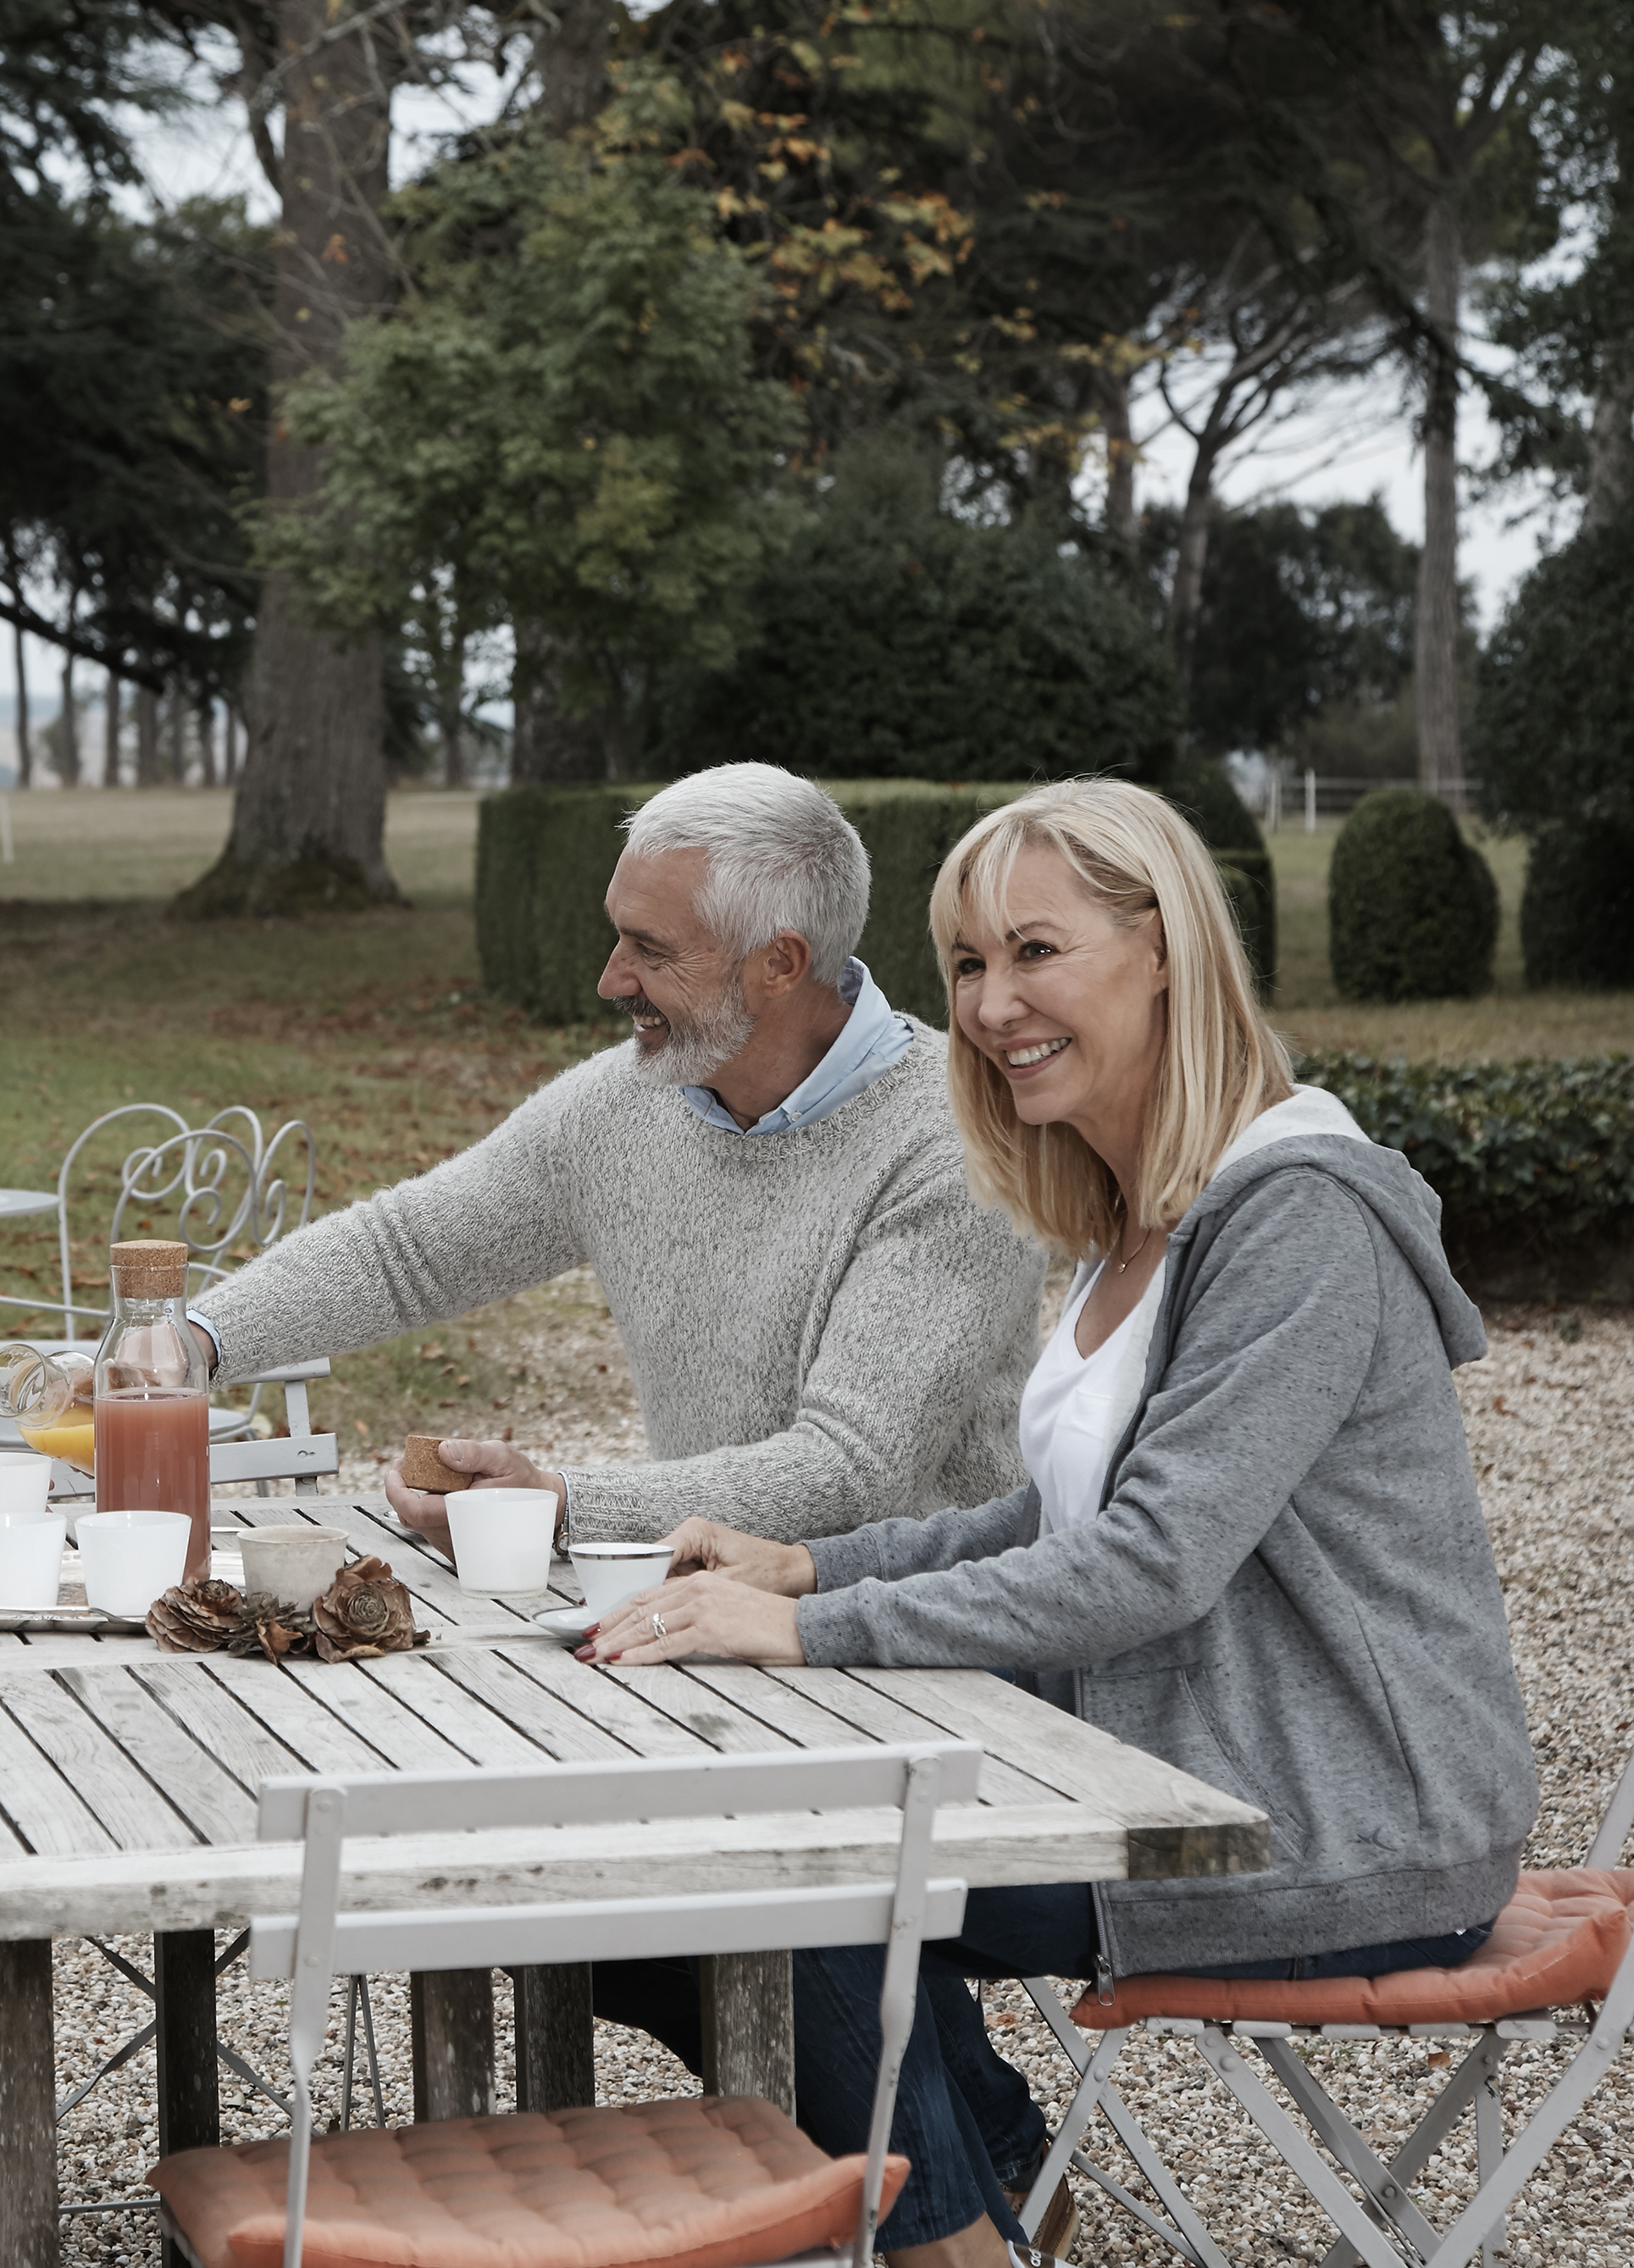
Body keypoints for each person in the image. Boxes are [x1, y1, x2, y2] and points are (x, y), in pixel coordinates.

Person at [581, 778, 1538, 2268]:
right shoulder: (1146, 1206)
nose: (990, 1003)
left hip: (1328, 1821)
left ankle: (951, 2240)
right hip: (1159, 1769)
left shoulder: (1294, 1218)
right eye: (967, 964)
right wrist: (812, 1561)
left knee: (791, 1869)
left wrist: (809, 1627)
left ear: (1163, 949)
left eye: (1036, 951)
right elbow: (1062, 1511)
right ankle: (1009, 2181)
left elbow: (1146, 1562)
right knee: (638, 1894)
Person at [188, 762, 1040, 1545]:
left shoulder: (955, 1143)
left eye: (650, 949)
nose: (610, 978)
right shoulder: (624, 1101)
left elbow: (849, 1471)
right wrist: (189, 1341)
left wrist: (559, 1504)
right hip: (708, 1614)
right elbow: (405, 1252)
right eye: (618, 936)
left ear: (778, 963)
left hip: (920, 1652)